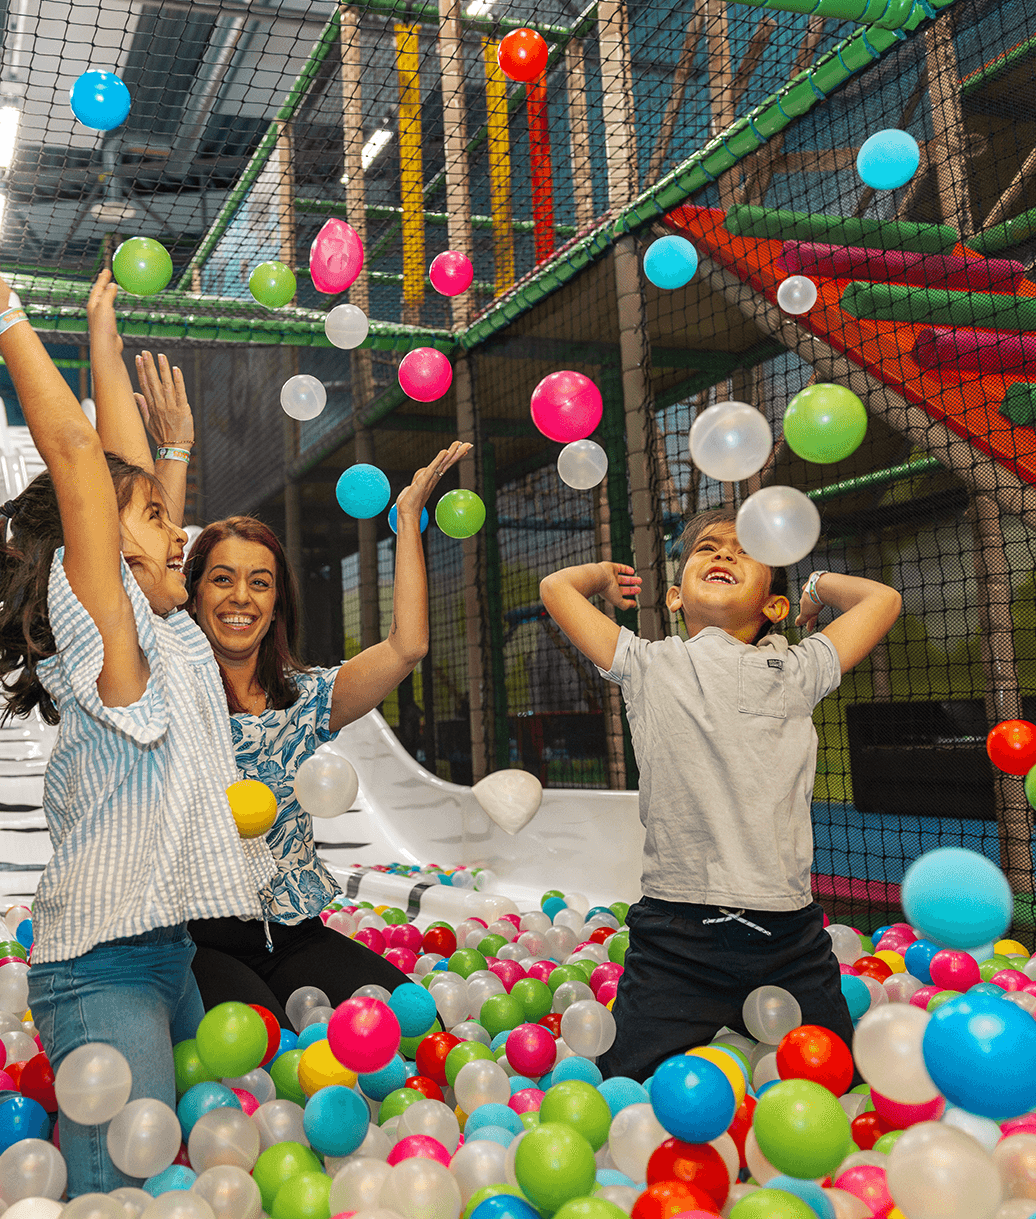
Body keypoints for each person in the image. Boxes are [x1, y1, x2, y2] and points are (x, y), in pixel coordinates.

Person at [0, 226, 265, 1194]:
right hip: (101, 966)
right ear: (103, 556)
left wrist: (105, 344)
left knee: (187, 1166)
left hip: (165, 951)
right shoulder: (110, 643)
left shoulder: (167, 634)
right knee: (123, 1191)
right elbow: (83, 460)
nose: (180, 530)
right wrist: (6, 316)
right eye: (158, 522)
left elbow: (120, 478)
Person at [538, 506, 902, 1079]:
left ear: (773, 607)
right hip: (675, 939)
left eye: (745, 550)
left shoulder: (797, 667)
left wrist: (814, 587)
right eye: (707, 548)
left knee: (839, 1083)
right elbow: (555, 589)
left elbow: (883, 600)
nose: (725, 553)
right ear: (675, 597)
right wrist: (603, 576)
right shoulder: (648, 663)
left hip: (788, 939)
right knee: (624, 1084)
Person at [153, 418, 468, 1022]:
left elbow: (407, 646)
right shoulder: (167, 690)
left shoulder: (305, 700)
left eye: (259, 583)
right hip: (196, 939)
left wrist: (407, 522)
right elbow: (137, 590)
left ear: (276, 604)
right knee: (258, 1038)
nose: (240, 597)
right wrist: (174, 453)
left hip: (293, 932)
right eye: (221, 579)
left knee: (411, 1020)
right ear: (192, 594)